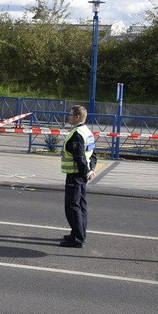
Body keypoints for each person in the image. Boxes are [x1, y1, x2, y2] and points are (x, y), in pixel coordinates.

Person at [60, 104, 97, 248]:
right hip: (82, 175)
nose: (68, 117)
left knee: (72, 206)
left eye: (70, 115)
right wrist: (91, 169)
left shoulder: (76, 134)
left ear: (76, 117)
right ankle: (78, 232)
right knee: (81, 205)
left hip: (75, 175)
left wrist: (85, 171)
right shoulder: (86, 131)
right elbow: (92, 154)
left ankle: (77, 239)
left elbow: (80, 157)